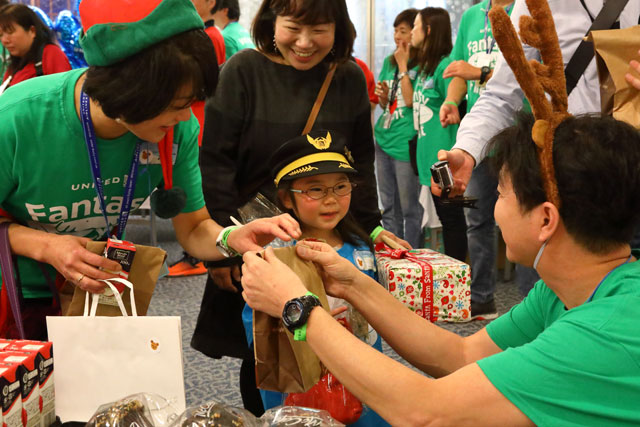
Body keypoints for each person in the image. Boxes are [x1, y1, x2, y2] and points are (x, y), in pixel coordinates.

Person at [241, 112, 640, 425]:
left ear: (545, 220)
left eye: (500, 193)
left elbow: (426, 413)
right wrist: (352, 285)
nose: (492, 208)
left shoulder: (603, 335)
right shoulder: (565, 290)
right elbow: (462, 354)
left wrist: (296, 305)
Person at [0, 0, 299, 340]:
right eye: (175, 106)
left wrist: (230, 238)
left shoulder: (175, 131)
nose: (185, 118)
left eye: (191, 103)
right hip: (17, 293)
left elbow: (194, 226)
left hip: (97, 291)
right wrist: (46, 246)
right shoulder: (17, 120)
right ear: (126, 92)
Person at [195, 0, 408, 415]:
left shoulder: (346, 77)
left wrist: (373, 230)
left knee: (343, 340)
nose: (306, 43)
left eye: (320, 30)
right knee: (265, 345)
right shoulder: (242, 72)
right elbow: (216, 162)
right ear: (272, 21)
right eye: (294, 27)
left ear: (338, 29)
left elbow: (360, 162)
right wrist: (223, 250)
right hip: (254, 241)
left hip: (331, 240)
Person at [241, 129, 390, 426]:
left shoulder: (361, 247)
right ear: (286, 198)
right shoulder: (275, 256)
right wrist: (305, 323)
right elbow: (255, 325)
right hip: (302, 382)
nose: (331, 200)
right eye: (315, 189)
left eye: (340, 187)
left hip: (362, 376)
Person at [439, 0, 515, 319]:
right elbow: (458, 68)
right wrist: (452, 100)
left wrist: (482, 72)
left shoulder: (530, 9)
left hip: (519, 135)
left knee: (529, 218)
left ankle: (533, 305)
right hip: (477, 139)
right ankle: (481, 297)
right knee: (475, 219)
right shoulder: (472, 15)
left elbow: (532, 71)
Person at [168, 0, 227, 278]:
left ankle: (195, 260)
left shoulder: (210, 37)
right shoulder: (205, 35)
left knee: (197, 198)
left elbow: (204, 88)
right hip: (194, 122)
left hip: (199, 126)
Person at [411, 7, 466, 261]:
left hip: (445, 159)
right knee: (444, 218)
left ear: (429, 30)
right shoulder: (424, 67)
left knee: (452, 220)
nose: (412, 32)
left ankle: (458, 281)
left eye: (415, 26)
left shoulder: (445, 66)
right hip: (426, 158)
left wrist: (454, 107)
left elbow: (457, 96)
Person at [372, 8, 423, 249]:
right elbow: (387, 103)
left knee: (409, 208)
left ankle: (411, 259)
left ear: (416, 32)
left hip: (406, 142)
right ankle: (391, 259)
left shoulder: (424, 63)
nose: (397, 37)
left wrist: (404, 67)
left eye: (402, 31)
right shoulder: (388, 61)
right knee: (389, 206)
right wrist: (382, 97)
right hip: (383, 138)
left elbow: (412, 101)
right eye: (395, 31)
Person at [0, 3, 70, 90]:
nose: (4, 40)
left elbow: (64, 93)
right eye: (1, 35)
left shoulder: (51, 54)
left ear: (32, 31)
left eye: (10, 32)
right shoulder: (13, 67)